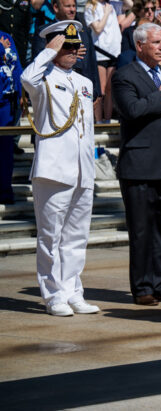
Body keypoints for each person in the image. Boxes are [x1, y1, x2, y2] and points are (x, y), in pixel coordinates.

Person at [22, 20, 99, 317]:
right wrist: (46, 53)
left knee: (76, 237)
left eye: (75, 45)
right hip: (53, 169)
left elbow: (87, 129)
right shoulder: (42, 77)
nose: (72, 51)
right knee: (50, 237)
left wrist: (89, 168)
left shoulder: (84, 83)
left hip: (81, 169)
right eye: (65, 45)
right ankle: (54, 295)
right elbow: (27, 79)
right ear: (53, 46)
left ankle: (73, 291)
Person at [112, 23, 161, 305]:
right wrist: (160, 96)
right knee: (142, 229)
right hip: (140, 164)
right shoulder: (124, 76)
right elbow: (131, 111)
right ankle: (142, 287)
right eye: (156, 42)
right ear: (139, 46)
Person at [0, 30, 22, 205]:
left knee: (6, 149)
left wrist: (22, 93)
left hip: (7, 102)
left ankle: (5, 189)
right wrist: (1, 49)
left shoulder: (6, 36)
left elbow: (17, 66)